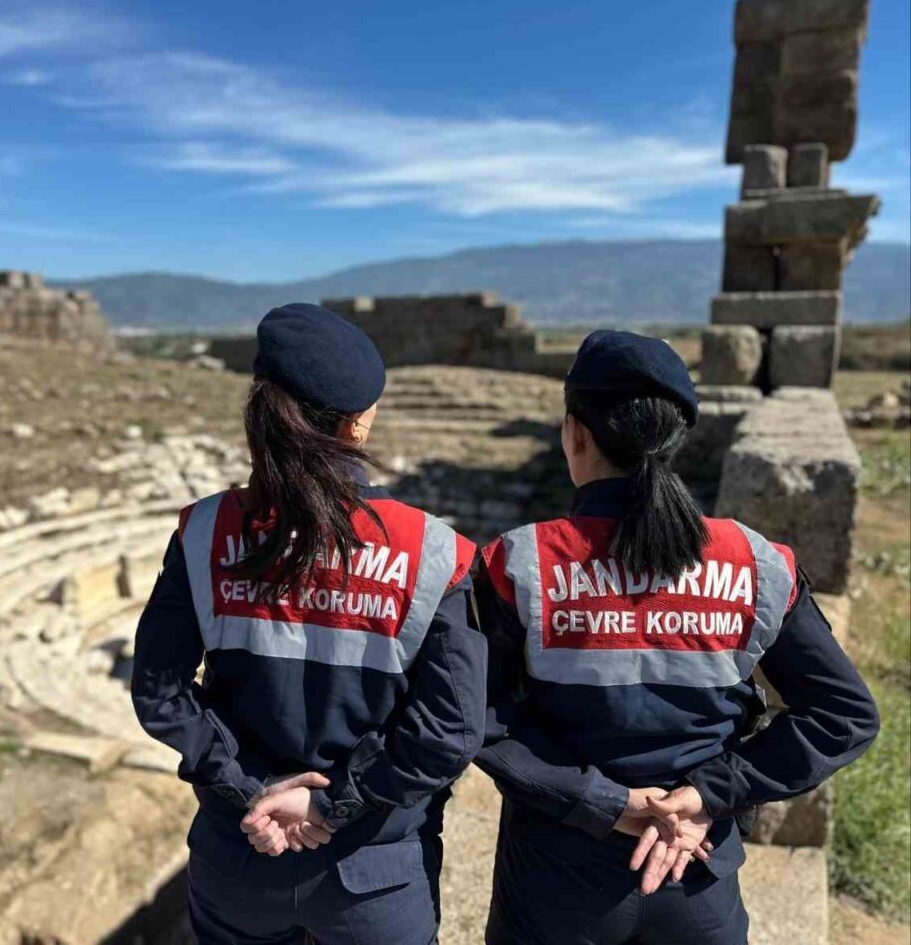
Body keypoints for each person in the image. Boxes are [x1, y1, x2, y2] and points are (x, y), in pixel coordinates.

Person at [474, 330, 880, 945]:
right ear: (676, 440)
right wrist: (707, 795)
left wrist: (607, 803)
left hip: (555, 888)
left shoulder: (521, 562)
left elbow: (477, 720)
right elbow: (845, 715)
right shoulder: (755, 562)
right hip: (698, 878)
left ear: (575, 433)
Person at [132, 302, 485, 945]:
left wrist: (248, 785)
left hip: (239, 861)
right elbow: (451, 729)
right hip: (374, 877)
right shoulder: (435, 552)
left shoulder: (204, 532)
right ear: (357, 426)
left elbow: (160, 691)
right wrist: (330, 801)